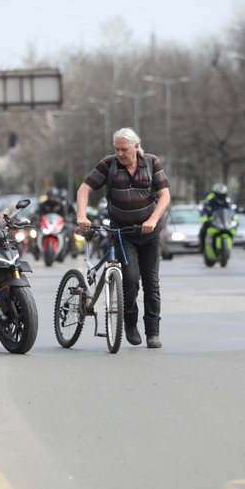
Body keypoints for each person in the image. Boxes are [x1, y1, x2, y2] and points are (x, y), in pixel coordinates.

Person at [76, 127, 171, 348]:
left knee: (151, 282)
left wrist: (153, 220)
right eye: (117, 149)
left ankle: (153, 332)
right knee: (129, 279)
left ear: (136, 147)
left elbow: (164, 195)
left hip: (149, 232)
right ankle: (130, 323)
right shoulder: (109, 165)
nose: (120, 153)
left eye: (124, 149)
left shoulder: (151, 162)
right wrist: (82, 215)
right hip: (122, 233)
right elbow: (83, 189)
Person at [198, 183, 234, 252]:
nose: (221, 197)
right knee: (203, 230)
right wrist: (205, 218)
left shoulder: (227, 201)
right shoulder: (210, 200)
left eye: (222, 195)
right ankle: (202, 247)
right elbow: (204, 211)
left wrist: (233, 217)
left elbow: (231, 211)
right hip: (213, 221)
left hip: (223, 222)